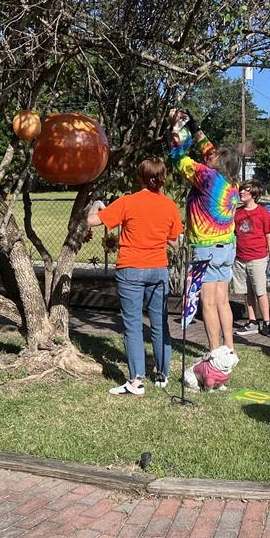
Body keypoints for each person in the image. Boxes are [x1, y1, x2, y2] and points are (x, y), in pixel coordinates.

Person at [87, 158, 183, 396]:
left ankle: (136, 381)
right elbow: (174, 241)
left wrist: (96, 204)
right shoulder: (170, 206)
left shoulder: (128, 202)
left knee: (132, 325)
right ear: (162, 178)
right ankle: (162, 375)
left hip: (131, 268)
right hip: (159, 269)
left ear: (139, 176)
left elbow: (92, 220)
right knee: (160, 323)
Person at [168, 109, 240, 368]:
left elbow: (178, 159)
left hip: (206, 249)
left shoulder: (207, 177)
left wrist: (175, 132)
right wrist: (197, 130)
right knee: (222, 300)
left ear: (219, 161)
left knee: (208, 302)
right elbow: (209, 152)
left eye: (216, 155)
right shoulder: (232, 182)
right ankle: (229, 348)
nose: (211, 154)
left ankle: (214, 351)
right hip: (226, 248)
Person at [233, 179, 270, 338]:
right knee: (246, 292)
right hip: (240, 258)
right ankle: (252, 321)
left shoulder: (262, 213)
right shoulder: (237, 213)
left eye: (245, 190)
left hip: (257, 258)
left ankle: (267, 322)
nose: (241, 192)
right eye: (241, 190)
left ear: (253, 193)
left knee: (260, 291)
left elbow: (269, 236)